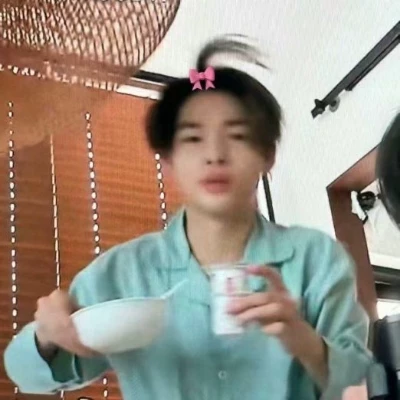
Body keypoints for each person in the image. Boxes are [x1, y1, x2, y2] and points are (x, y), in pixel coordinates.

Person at [3, 36, 372, 400]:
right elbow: (25, 373)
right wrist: (46, 337)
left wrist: (305, 342)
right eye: (193, 139)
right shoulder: (123, 273)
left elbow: (360, 383)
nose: (215, 155)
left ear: (268, 156)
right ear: (168, 160)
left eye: (237, 135)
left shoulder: (317, 259)